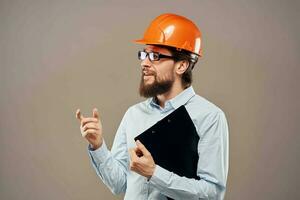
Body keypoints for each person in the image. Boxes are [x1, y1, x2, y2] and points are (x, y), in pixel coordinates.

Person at [76, 13, 229, 200]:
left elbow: (212, 194)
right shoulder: (134, 114)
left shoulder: (209, 117)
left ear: (181, 65)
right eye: (144, 54)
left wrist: (154, 174)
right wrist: (98, 145)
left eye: (155, 56)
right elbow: (119, 184)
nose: (144, 63)